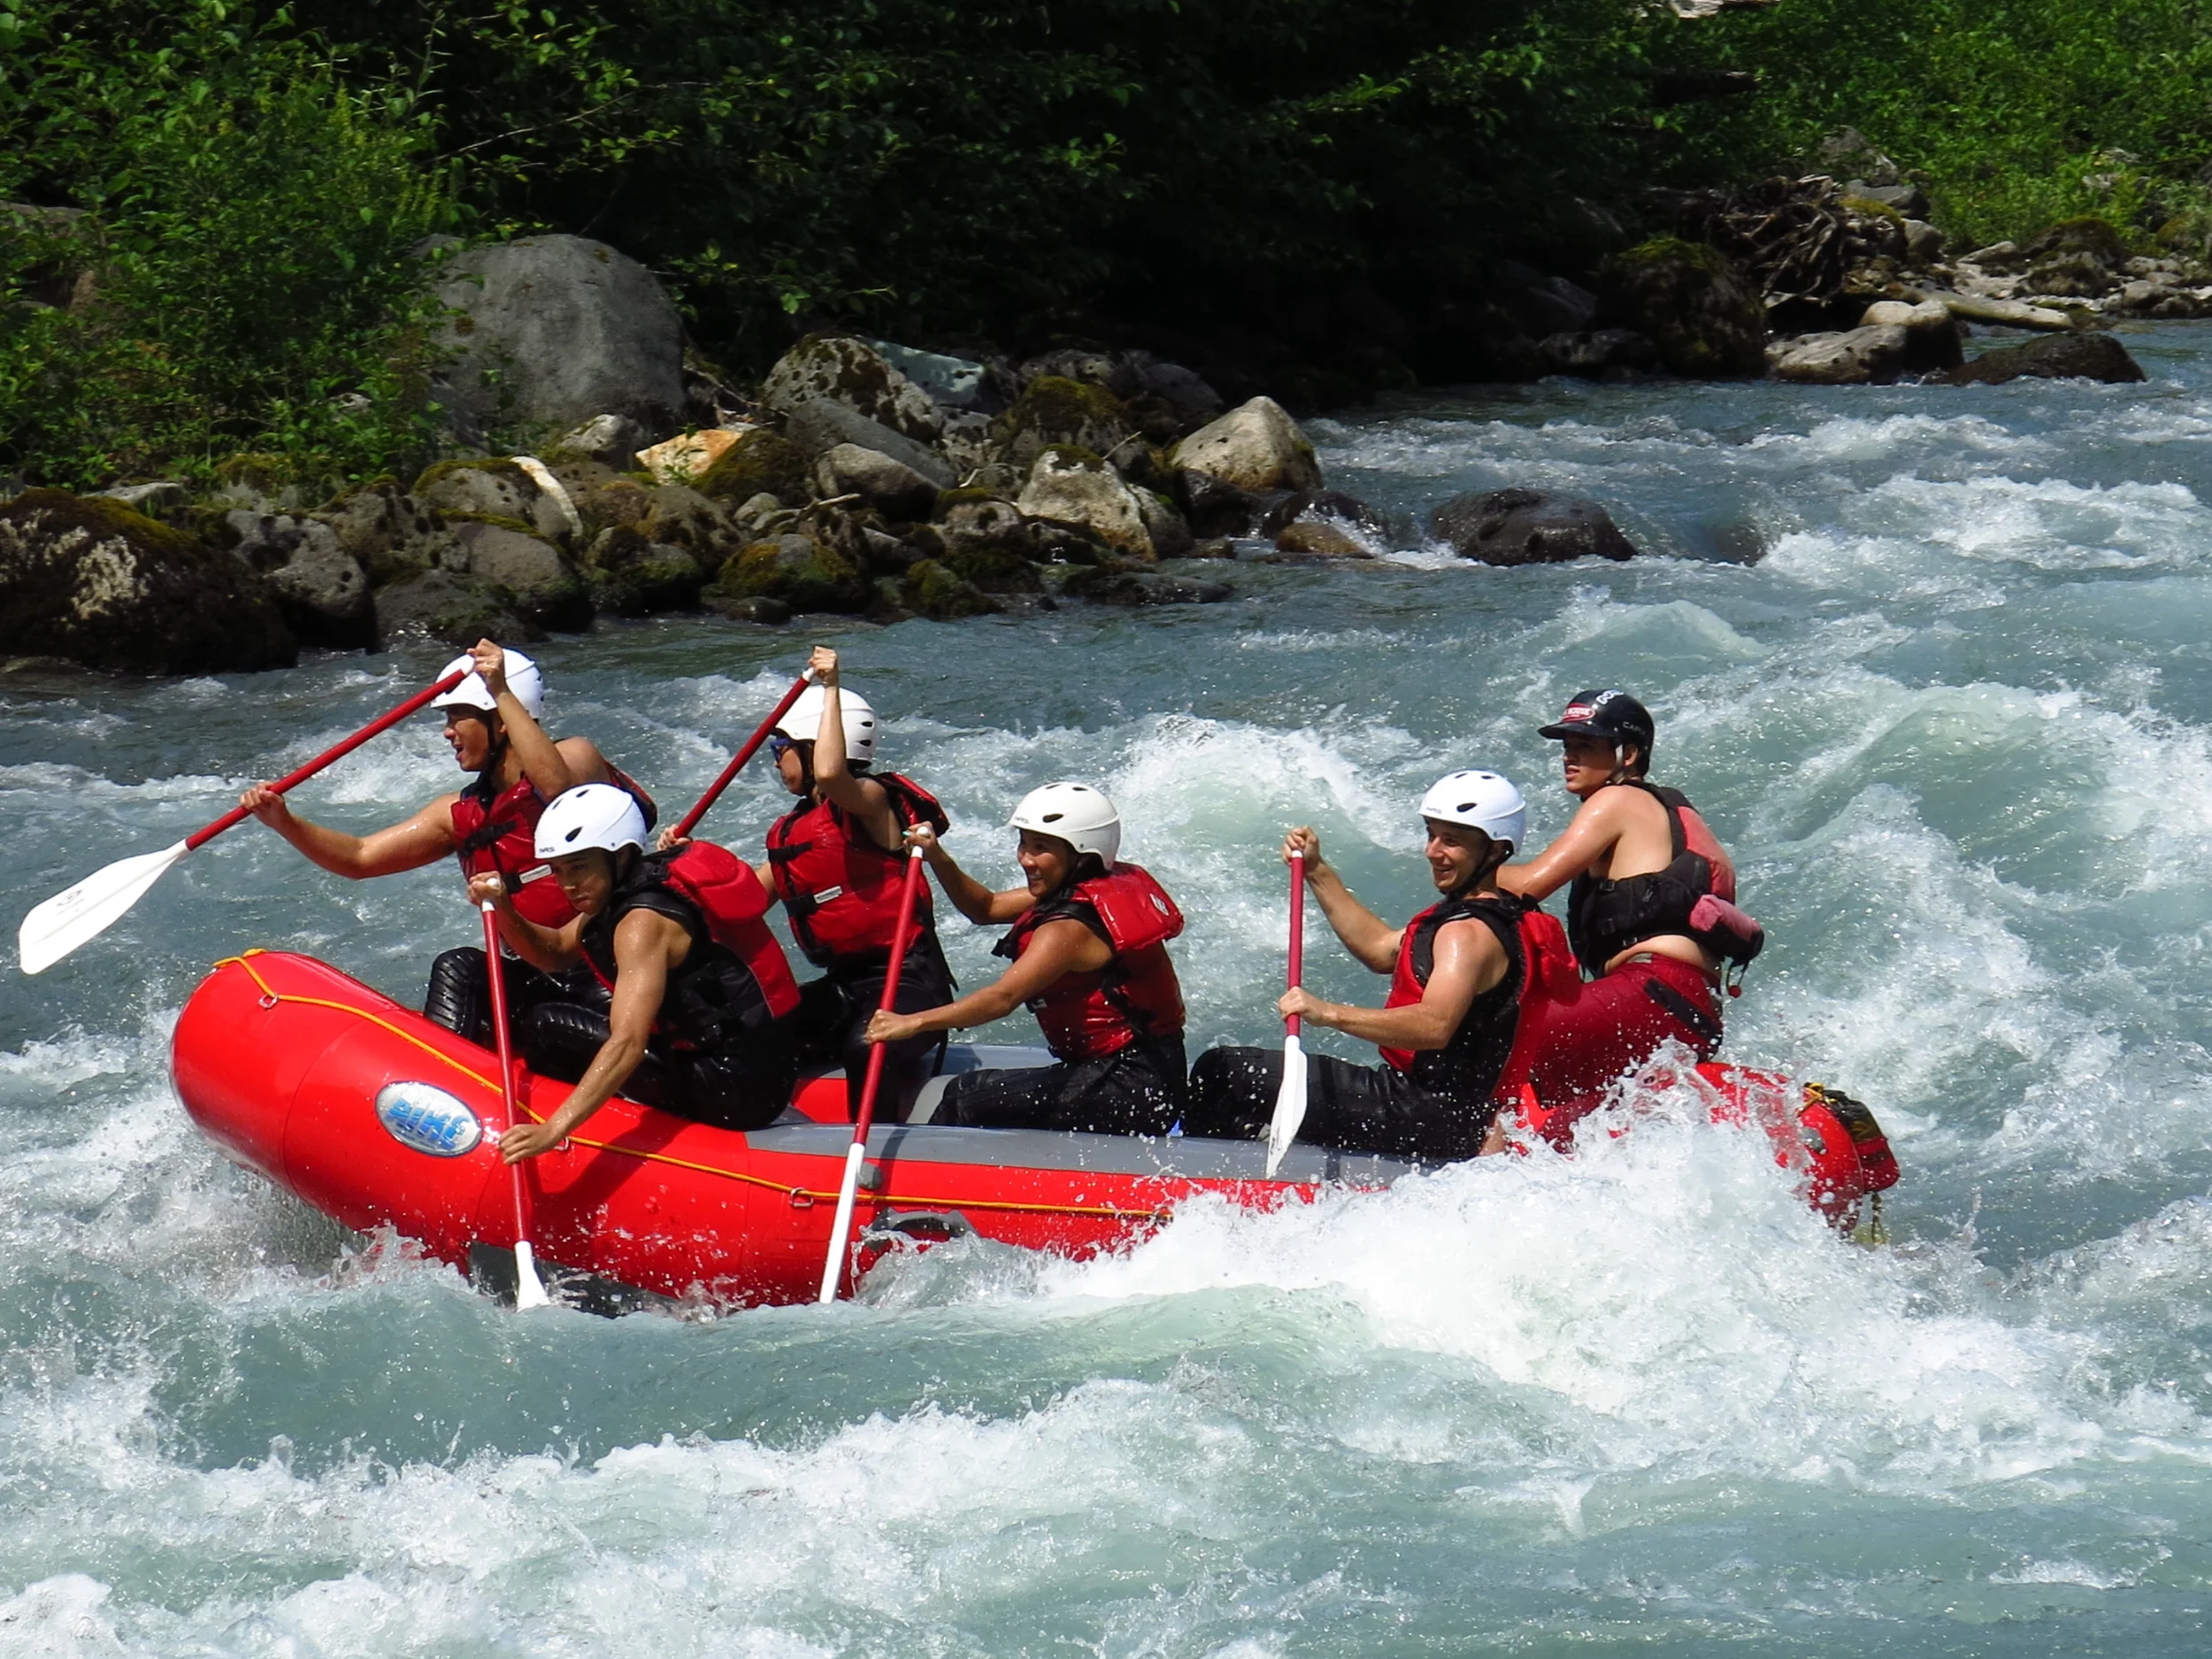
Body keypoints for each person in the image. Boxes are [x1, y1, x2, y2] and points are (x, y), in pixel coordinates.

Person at [236, 640, 656, 1042]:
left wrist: (501, 690)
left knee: (556, 1020)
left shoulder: (577, 757)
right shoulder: (457, 812)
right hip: (534, 969)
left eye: (458, 716)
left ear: (503, 720)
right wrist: (285, 821)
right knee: (460, 968)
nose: (447, 732)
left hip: (607, 966)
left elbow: (556, 791)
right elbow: (360, 858)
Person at [1182, 772, 1533, 1162]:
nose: (1433, 852)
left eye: (1451, 841)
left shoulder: (1466, 935)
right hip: (1439, 1112)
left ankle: (1209, 1183)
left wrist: (1328, 1012)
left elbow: (1434, 1025)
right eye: (1431, 834)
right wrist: (1316, 869)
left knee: (1226, 1072)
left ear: (1495, 850)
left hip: (1421, 1113)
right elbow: (1381, 951)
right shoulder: (1477, 916)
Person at [473, 783, 802, 1156]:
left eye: (579, 867)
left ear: (620, 857)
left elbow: (628, 1042)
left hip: (734, 1088)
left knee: (548, 1023)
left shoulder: (641, 923)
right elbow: (556, 953)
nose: (568, 884)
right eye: (558, 870)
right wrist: (503, 907)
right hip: (755, 1064)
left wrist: (552, 1130)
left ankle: (570, 1134)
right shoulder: (632, 887)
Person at [1495, 688, 1763, 1139]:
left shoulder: (1617, 800)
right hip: (1689, 1013)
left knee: (1488, 1039)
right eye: (1567, 747)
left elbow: (1525, 886)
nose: (1570, 758)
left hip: (1649, 994)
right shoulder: (1668, 808)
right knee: (1560, 1125)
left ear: (1630, 753)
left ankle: (1457, 1156)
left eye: (1586, 746)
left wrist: (1463, 861)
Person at [863, 782, 1188, 1135]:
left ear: (1082, 855)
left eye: (1041, 848)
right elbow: (984, 907)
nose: (1025, 859)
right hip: (1140, 1072)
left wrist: (912, 1023)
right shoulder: (1078, 892)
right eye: (1024, 843)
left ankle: (925, 1184)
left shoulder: (1068, 931)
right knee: (970, 1090)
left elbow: (1001, 999)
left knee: (961, 1103)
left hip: (1131, 1084)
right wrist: (936, 855)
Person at [760, 646, 956, 1123]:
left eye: (780, 747)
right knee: (758, 1032)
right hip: (847, 986)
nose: (774, 759)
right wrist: (678, 859)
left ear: (812, 746)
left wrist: (830, 687)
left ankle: (873, 1167)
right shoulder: (800, 829)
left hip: (908, 983)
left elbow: (832, 773)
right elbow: (741, 898)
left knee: (869, 1048)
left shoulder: (870, 801)